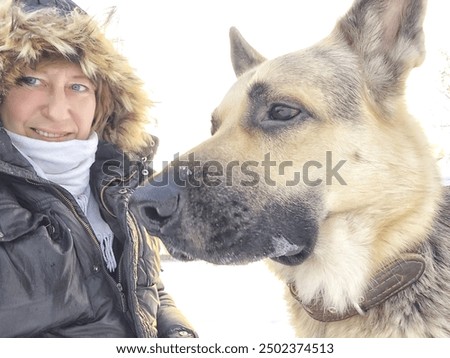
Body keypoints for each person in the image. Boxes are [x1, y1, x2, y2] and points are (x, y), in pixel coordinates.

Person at [0, 0, 197, 338]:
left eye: (78, 87)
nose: (58, 111)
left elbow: (146, 289)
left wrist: (178, 335)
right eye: (32, 81)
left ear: (102, 102)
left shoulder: (119, 185)